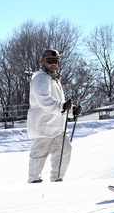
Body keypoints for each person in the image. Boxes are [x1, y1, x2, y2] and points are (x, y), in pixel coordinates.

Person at [27, 48, 80, 183]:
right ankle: (34, 180)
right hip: (43, 124)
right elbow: (44, 99)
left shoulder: (53, 78)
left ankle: (57, 178)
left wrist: (71, 111)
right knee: (40, 153)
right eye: (50, 61)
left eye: (56, 61)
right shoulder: (41, 78)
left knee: (65, 150)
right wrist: (63, 107)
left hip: (57, 125)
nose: (53, 64)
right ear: (43, 62)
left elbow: (58, 101)